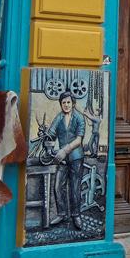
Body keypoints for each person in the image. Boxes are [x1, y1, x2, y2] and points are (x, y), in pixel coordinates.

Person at [48, 91, 86, 230]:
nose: (66, 105)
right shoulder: (58, 118)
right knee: (58, 186)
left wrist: (64, 150)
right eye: (63, 102)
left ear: (73, 103)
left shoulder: (79, 118)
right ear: (60, 104)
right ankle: (62, 213)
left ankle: (76, 215)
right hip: (62, 159)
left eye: (68, 102)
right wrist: (47, 138)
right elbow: (51, 134)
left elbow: (79, 140)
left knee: (74, 188)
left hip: (76, 157)